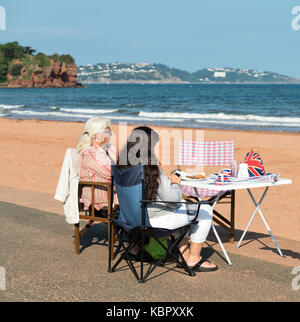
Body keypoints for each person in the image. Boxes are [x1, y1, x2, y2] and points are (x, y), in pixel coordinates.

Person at [116, 126, 218, 272]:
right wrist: (174, 183)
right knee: (205, 210)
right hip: (152, 222)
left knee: (183, 207)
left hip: (128, 219)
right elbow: (172, 200)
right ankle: (194, 259)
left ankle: (184, 253)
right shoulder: (150, 167)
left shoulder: (121, 166)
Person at [77, 117, 118, 214]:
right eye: (107, 132)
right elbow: (110, 173)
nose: (111, 134)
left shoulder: (109, 149)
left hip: (112, 193)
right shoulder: (89, 153)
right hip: (99, 200)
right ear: (96, 135)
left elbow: (121, 167)